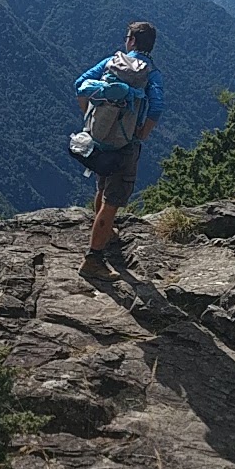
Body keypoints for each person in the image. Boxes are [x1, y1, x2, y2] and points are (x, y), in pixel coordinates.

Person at [75, 20, 163, 278]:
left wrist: (91, 119)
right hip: (126, 144)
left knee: (103, 187)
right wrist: (140, 134)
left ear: (132, 41)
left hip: (101, 140)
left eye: (128, 37)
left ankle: (106, 232)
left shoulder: (112, 62)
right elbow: (156, 107)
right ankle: (93, 259)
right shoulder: (151, 73)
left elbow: (80, 83)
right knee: (113, 202)